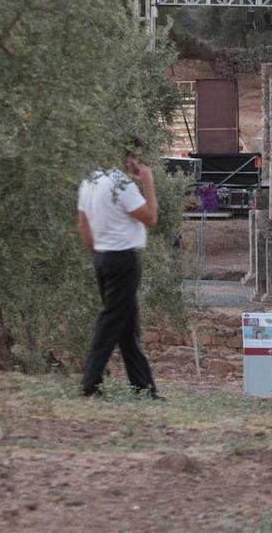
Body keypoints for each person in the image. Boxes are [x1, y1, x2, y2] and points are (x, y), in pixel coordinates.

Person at [78, 142, 161, 399]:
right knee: (111, 321)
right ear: (125, 157)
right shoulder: (120, 185)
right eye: (134, 156)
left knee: (126, 325)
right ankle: (90, 383)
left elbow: (82, 223)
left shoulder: (89, 181)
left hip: (103, 257)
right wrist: (148, 181)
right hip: (123, 259)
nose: (136, 162)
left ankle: (143, 388)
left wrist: (97, 251)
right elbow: (151, 218)